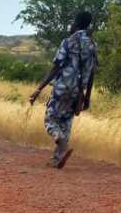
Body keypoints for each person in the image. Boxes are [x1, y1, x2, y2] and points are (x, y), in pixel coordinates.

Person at [29, 11, 97, 169]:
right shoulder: (93, 45)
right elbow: (92, 72)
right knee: (66, 121)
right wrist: (87, 96)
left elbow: (56, 67)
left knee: (50, 119)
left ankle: (61, 142)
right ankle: (57, 158)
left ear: (76, 22)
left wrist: (39, 88)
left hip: (62, 87)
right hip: (78, 90)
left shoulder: (68, 42)